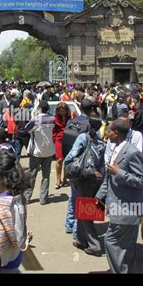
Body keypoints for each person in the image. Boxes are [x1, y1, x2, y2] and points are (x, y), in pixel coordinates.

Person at [95, 118, 143, 274]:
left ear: (116, 133)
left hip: (127, 208)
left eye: (109, 131)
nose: (107, 133)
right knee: (127, 245)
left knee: (111, 241)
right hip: (118, 205)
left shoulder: (132, 153)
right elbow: (108, 177)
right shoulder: (115, 148)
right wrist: (100, 196)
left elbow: (141, 180)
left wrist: (119, 173)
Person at [64, 116, 105, 257]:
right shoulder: (101, 141)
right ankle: (81, 240)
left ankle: (94, 245)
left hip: (83, 177)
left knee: (85, 211)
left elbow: (72, 154)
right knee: (86, 208)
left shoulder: (83, 137)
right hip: (97, 179)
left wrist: (67, 165)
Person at [63, 99, 92, 236]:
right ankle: (78, 230)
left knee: (73, 196)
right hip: (84, 167)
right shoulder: (89, 124)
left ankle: (69, 224)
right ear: (91, 109)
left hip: (71, 165)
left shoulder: (71, 122)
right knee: (84, 199)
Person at [24, 100, 55, 205]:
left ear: (39, 109)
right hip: (49, 151)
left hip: (36, 151)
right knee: (46, 176)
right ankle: (43, 199)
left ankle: (27, 198)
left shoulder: (36, 120)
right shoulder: (52, 119)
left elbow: (27, 128)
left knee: (32, 174)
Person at [53, 102, 70, 189]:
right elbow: (53, 131)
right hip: (58, 140)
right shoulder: (55, 118)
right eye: (61, 111)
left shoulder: (70, 117)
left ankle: (65, 179)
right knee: (59, 160)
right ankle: (58, 179)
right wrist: (54, 139)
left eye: (64, 111)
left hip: (68, 140)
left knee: (67, 160)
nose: (62, 113)